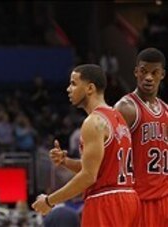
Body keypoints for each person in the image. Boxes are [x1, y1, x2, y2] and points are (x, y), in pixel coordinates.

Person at [32, 64, 140, 226]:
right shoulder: (118, 118)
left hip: (105, 201)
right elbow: (102, 168)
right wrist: (66, 161)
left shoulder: (93, 122)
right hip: (129, 198)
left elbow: (89, 176)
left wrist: (49, 201)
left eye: (74, 84)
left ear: (90, 88)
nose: (69, 89)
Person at [114, 47, 168, 227]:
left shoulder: (167, 111)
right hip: (137, 198)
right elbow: (110, 153)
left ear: (162, 75)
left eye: (155, 72)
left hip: (164, 198)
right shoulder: (126, 108)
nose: (149, 78)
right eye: (144, 72)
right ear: (136, 71)